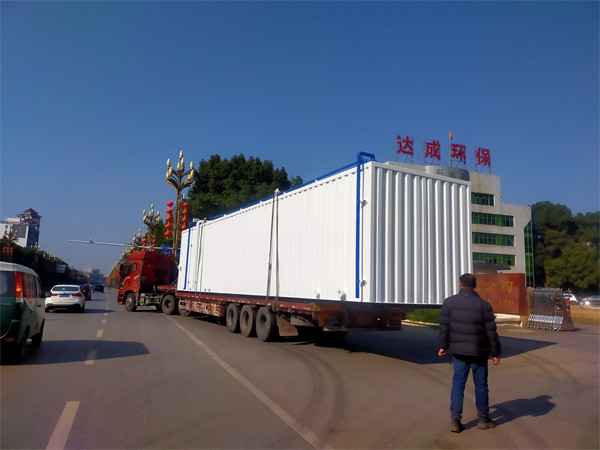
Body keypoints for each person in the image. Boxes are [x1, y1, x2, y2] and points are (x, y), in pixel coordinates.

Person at [438, 273, 501, 433]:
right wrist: (495, 353)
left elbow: (444, 327)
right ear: (475, 286)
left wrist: (443, 346)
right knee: (481, 386)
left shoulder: (449, 302)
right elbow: (491, 332)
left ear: (460, 284)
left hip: (458, 352)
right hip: (479, 352)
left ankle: (455, 420)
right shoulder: (484, 305)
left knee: (458, 385)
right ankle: (483, 420)